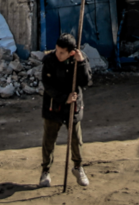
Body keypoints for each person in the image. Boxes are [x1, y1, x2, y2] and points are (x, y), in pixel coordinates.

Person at [38, 33, 92, 188]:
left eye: (62, 52)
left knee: (76, 139)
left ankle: (78, 167)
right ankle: (45, 170)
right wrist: (63, 98)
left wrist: (81, 63)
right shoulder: (49, 61)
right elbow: (47, 85)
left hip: (73, 106)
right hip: (53, 105)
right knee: (49, 140)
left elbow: (86, 81)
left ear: (71, 52)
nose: (58, 54)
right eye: (57, 50)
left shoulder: (79, 60)